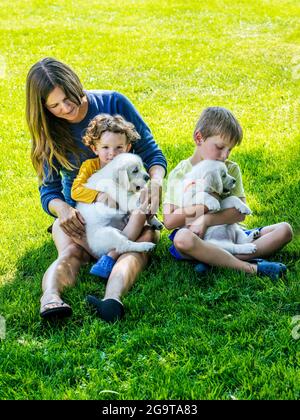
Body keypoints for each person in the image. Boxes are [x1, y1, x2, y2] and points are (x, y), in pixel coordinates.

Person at [26, 57, 167, 322]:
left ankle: (111, 299)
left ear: (76, 84)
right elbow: (49, 191)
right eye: (54, 105)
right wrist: (64, 210)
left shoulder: (114, 103)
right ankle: (51, 299)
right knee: (71, 252)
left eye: (69, 98)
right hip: (80, 215)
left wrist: (156, 184)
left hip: (129, 211)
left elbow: (152, 154)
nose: (66, 109)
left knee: (139, 245)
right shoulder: (49, 130)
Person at [163, 107, 293, 280]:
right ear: (199, 137)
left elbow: (240, 215)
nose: (224, 155)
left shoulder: (231, 168)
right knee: (182, 239)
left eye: (229, 150)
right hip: (196, 238)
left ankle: (212, 259)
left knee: (285, 230)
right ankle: (251, 267)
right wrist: (204, 206)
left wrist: (205, 219)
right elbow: (170, 221)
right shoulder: (181, 173)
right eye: (220, 147)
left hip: (229, 232)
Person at [71, 113, 151, 278]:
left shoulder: (128, 166)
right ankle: (116, 252)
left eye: (118, 148)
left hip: (119, 217)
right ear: (95, 149)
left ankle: (111, 256)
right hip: (99, 224)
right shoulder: (90, 167)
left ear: (127, 147)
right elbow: (76, 191)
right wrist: (99, 195)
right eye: (105, 147)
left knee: (139, 214)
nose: (112, 154)